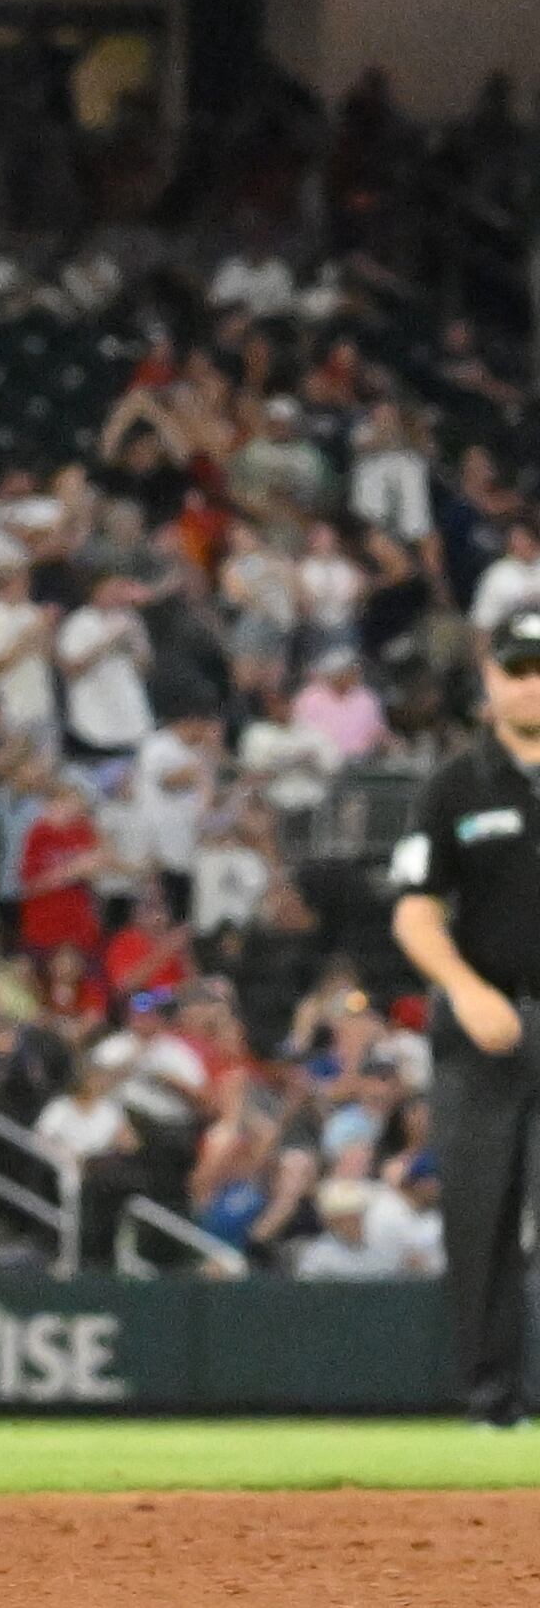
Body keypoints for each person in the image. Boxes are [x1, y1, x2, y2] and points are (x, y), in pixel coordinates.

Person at [390, 607, 540, 1428]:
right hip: (484, 1031)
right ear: (489, 680)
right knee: (480, 1220)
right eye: (517, 669)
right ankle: (492, 1405)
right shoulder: (452, 785)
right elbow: (414, 910)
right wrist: (466, 988)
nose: (532, 686)